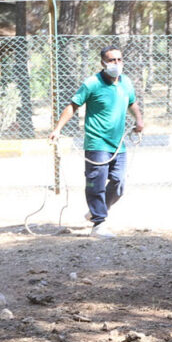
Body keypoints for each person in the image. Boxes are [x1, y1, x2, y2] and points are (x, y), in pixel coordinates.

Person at [49, 45, 144, 238]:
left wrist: (139, 120)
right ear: (103, 63)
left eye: (119, 59)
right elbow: (72, 106)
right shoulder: (92, 83)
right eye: (111, 60)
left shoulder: (126, 82)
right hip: (97, 143)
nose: (116, 63)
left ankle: (95, 211)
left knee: (118, 183)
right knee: (96, 184)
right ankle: (99, 224)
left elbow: (132, 103)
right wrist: (57, 129)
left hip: (118, 143)